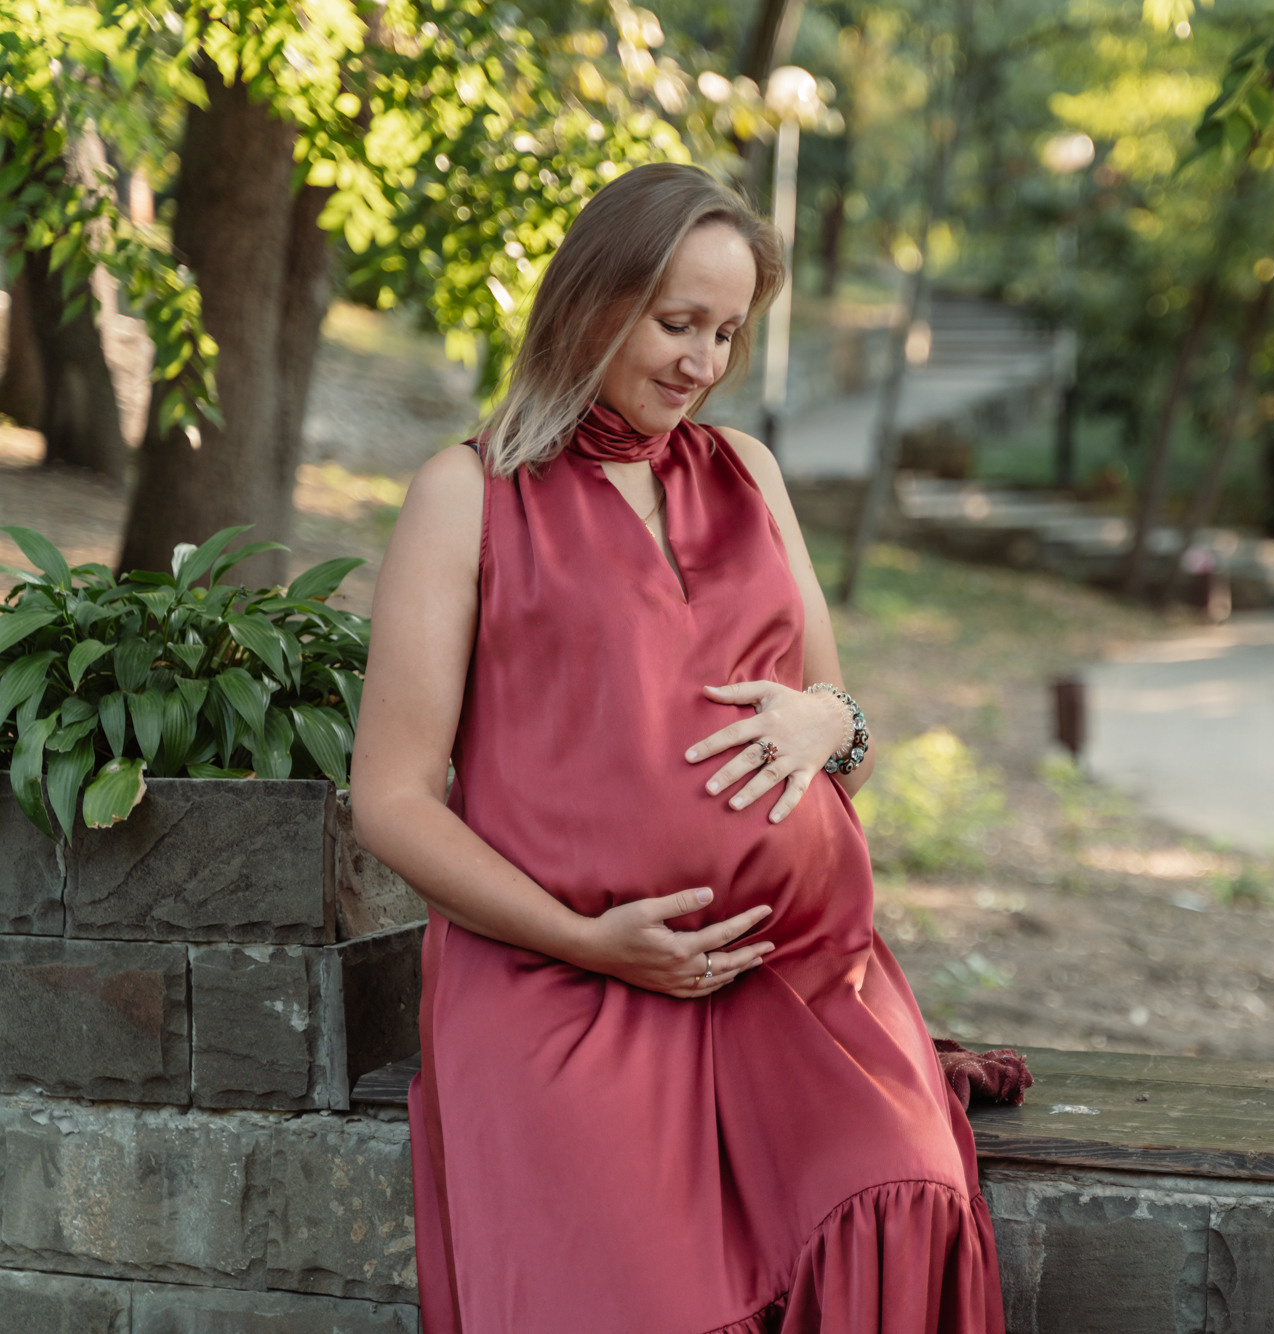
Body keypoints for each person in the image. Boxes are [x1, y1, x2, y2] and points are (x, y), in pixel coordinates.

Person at [350, 162, 1006, 1333]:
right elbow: (392, 799)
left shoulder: (745, 472)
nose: (703, 360)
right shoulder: (469, 493)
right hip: (559, 978)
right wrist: (590, 939)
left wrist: (826, 720)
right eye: (677, 321)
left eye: (728, 331)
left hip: (794, 976)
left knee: (900, 1199)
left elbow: (840, 731)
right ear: (591, 298)